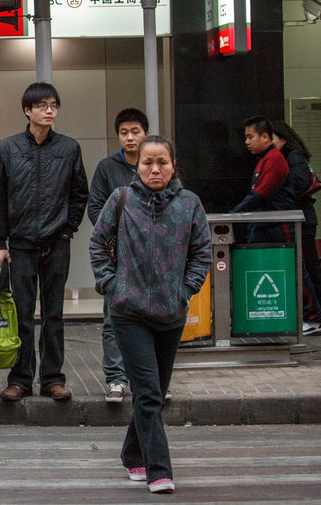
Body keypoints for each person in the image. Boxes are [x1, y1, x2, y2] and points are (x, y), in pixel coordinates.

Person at [89, 136, 211, 494]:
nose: (155, 169)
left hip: (171, 313)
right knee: (147, 392)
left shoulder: (189, 204)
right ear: (137, 166)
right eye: (147, 163)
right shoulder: (121, 200)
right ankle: (159, 470)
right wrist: (112, 285)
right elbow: (98, 244)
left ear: (174, 166)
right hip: (128, 312)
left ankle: (132, 453)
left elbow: (202, 252)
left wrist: (185, 289)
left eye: (162, 162)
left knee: (153, 392)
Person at [0, 82, 88, 402]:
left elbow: (79, 193)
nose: (49, 111)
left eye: (54, 106)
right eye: (43, 105)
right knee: (21, 312)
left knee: (54, 314)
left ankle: (52, 379)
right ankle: (19, 380)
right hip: (19, 244)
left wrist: (67, 228)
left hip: (56, 241)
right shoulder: (9, 148)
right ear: (27, 110)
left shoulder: (69, 148)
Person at [87, 108, 149, 405]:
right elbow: (95, 208)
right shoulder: (107, 167)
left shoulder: (155, 163)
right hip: (119, 256)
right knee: (114, 319)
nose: (129, 137)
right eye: (124, 132)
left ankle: (148, 379)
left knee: (152, 319)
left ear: (145, 133)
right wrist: (119, 234)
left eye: (135, 131)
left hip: (153, 256)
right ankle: (115, 379)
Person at [271, 120, 321, 334]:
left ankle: (315, 317)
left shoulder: (293, 157)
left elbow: (300, 183)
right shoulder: (292, 156)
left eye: (271, 138)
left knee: (307, 268)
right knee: (309, 267)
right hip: (304, 217)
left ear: (282, 138)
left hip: (302, 219)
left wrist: (281, 186)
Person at [232, 116, 296, 243]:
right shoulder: (264, 159)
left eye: (250, 137)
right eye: (246, 138)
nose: (246, 142)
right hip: (262, 224)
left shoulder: (273, 159)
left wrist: (234, 213)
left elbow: (260, 193)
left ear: (265, 137)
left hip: (276, 227)